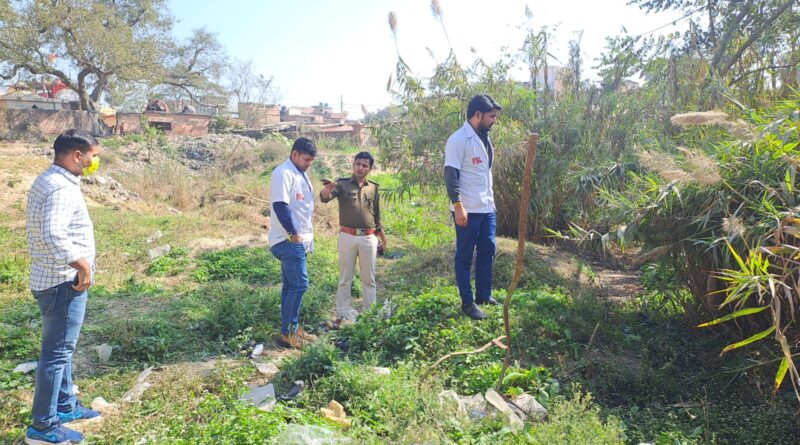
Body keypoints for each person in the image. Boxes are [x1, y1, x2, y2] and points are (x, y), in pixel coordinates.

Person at [25, 129, 103, 445]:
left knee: (63, 351)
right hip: (62, 282)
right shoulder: (59, 187)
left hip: (54, 278)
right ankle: (42, 428)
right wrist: (82, 265)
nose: (94, 161)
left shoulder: (53, 180)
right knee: (56, 355)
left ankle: (65, 406)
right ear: (76, 155)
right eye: (93, 155)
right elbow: (53, 234)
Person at [443, 94, 503, 320]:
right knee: (465, 256)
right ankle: (467, 303)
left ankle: (483, 295)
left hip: (487, 207)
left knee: (488, 250)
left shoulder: (485, 139)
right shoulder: (459, 139)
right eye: (491, 116)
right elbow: (451, 174)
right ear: (477, 114)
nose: (493, 120)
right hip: (467, 209)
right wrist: (458, 206)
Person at [319, 151, 387, 328]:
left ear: (370, 168)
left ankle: (370, 314)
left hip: (368, 238)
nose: (360, 167)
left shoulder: (373, 187)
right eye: (358, 164)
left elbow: (376, 213)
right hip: (347, 237)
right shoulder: (341, 184)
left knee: (369, 278)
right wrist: (325, 192)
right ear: (353, 164)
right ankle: (342, 313)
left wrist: (382, 236)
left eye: (364, 165)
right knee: (345, 277)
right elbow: (327, 197)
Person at [269, 137, 319, 349]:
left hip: (298, 239)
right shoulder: (283, 173)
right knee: (300, 285)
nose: (309, 164)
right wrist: (293, 233)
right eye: (306, 159)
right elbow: (281, 206)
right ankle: (286, 333)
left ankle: (292, 328)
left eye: (311, 161)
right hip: (288, 239)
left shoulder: (299, 173)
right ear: (295, 153)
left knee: (291, 286)